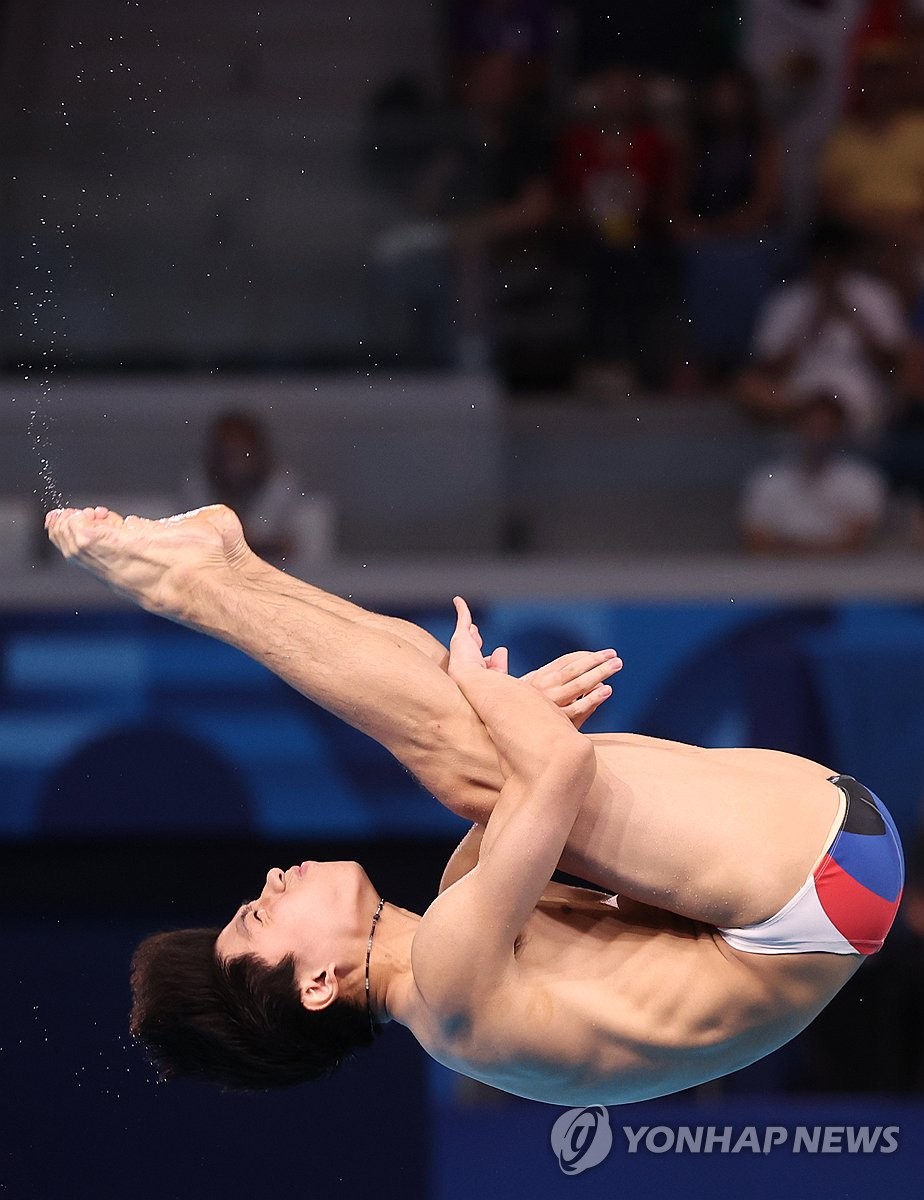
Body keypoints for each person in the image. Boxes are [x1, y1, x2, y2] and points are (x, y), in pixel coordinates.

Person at [44, 504, 904, 1103]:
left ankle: (234, 566)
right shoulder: (446, 986)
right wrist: (508, 716)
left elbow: (538, 776)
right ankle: (190, 590)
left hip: (830, 871)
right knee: (471, 762)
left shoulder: (459, 926)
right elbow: (557, 774)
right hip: (813, 887)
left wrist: (502, 706)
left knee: (469, 741)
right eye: (260, 915)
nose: (270, 880)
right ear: (317, 985)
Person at [740, 390, 888, 555]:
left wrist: (791, 549)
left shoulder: (863, 479)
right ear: (796, 428)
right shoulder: (766, 480)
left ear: (839, 431)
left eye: (825, 427)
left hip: (844, 574)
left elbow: (856, 542)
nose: (817, 435)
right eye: (811, 426)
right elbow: (757, 541)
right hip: (778, 575)